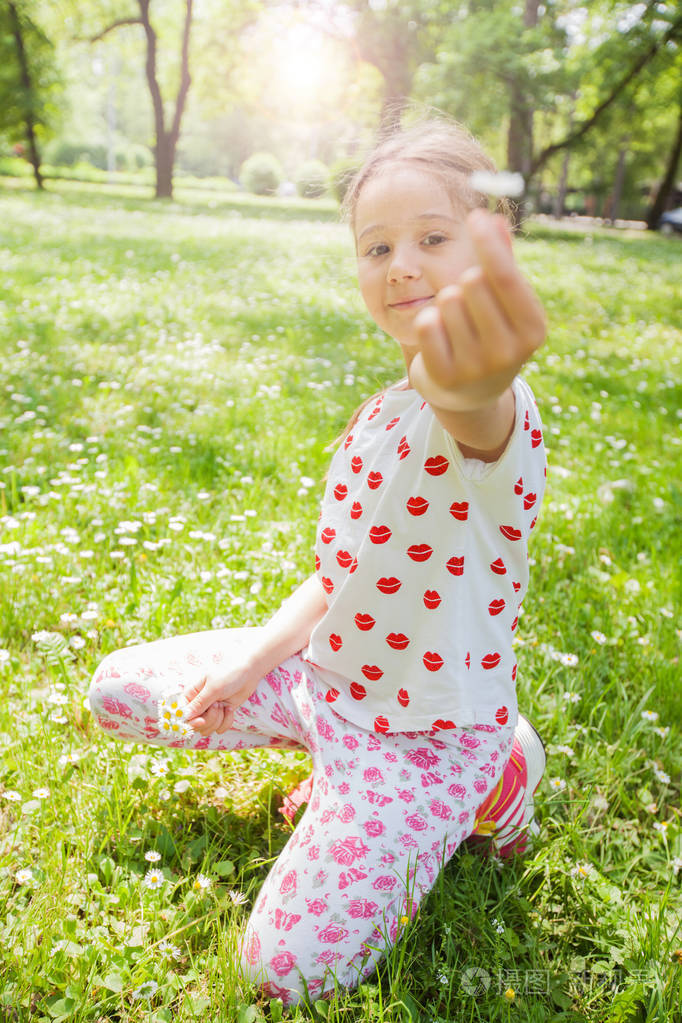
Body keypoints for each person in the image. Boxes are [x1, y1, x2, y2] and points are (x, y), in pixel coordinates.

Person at [88, 116, 548, 1007]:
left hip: (424, 744)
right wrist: (254, 660)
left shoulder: (488, 412)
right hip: (322, 687)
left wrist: (471, 373)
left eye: (432, 238)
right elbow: (339, 573)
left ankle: (500, 772)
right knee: (116, 691)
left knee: (285, 971)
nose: (401, 264)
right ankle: (327, 763)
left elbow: (472, 401)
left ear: (491, 247)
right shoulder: (382, 410)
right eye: (377, 247)